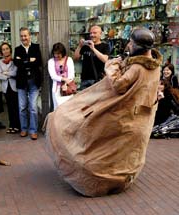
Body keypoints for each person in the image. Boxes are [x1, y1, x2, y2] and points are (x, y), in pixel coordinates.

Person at [45, 27, 162, 196]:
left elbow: (118, 85)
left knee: (102, 145)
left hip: (124, 115)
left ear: (138, 46)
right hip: (140, 119)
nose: (129, 44)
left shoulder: (138, 68)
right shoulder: (155, 67)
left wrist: (113, 64)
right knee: (124, 152)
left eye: (131, 42)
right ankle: (121, 178)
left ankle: (96, 178)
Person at [13, 27, 42, 140]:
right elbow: (17, 63)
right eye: (21, 36)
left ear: (30, 36)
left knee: (33, 107)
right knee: (22, 107)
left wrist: (24, 61)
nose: (23, 38)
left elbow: (38, 62)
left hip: (34, 81)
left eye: (25, 35)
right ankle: (24, 129)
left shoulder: (36, 47)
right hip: (21, 82)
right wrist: (30, 61)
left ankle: (33, 130)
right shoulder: (17, 49)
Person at [73, 25, 110, 90]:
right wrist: (79, 46)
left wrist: (93, 49)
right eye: (91, 33)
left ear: (100, 34)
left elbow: (105, 59)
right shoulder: (85, 46)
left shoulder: (105, 46)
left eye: (94, 33)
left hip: (98, 80)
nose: (92, 35)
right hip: (84, 79)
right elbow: (76, 58)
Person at [0, 42, 20, 133]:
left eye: (7, 48)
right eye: (3, 49)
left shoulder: (14, 61)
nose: (5, 51)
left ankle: (17, 126)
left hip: (14, 87)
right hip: (6, 88)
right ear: (1, 52)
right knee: (9, 107)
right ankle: (11, 125)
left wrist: (5, 73)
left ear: (10, 49)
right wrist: (8, 75)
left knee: (16, 107)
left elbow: (15, 73)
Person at [48, 42, 75, 110]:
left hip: (67, 88)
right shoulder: (51, 61)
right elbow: (53, 76)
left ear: (62, 52)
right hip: (56, 88)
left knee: (69, 109)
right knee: (57, 109)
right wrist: (64, 79)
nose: (56, 55)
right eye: (55, 53)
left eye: (58, 54)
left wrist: (66, 84)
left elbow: (72, 74)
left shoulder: (69, 60)